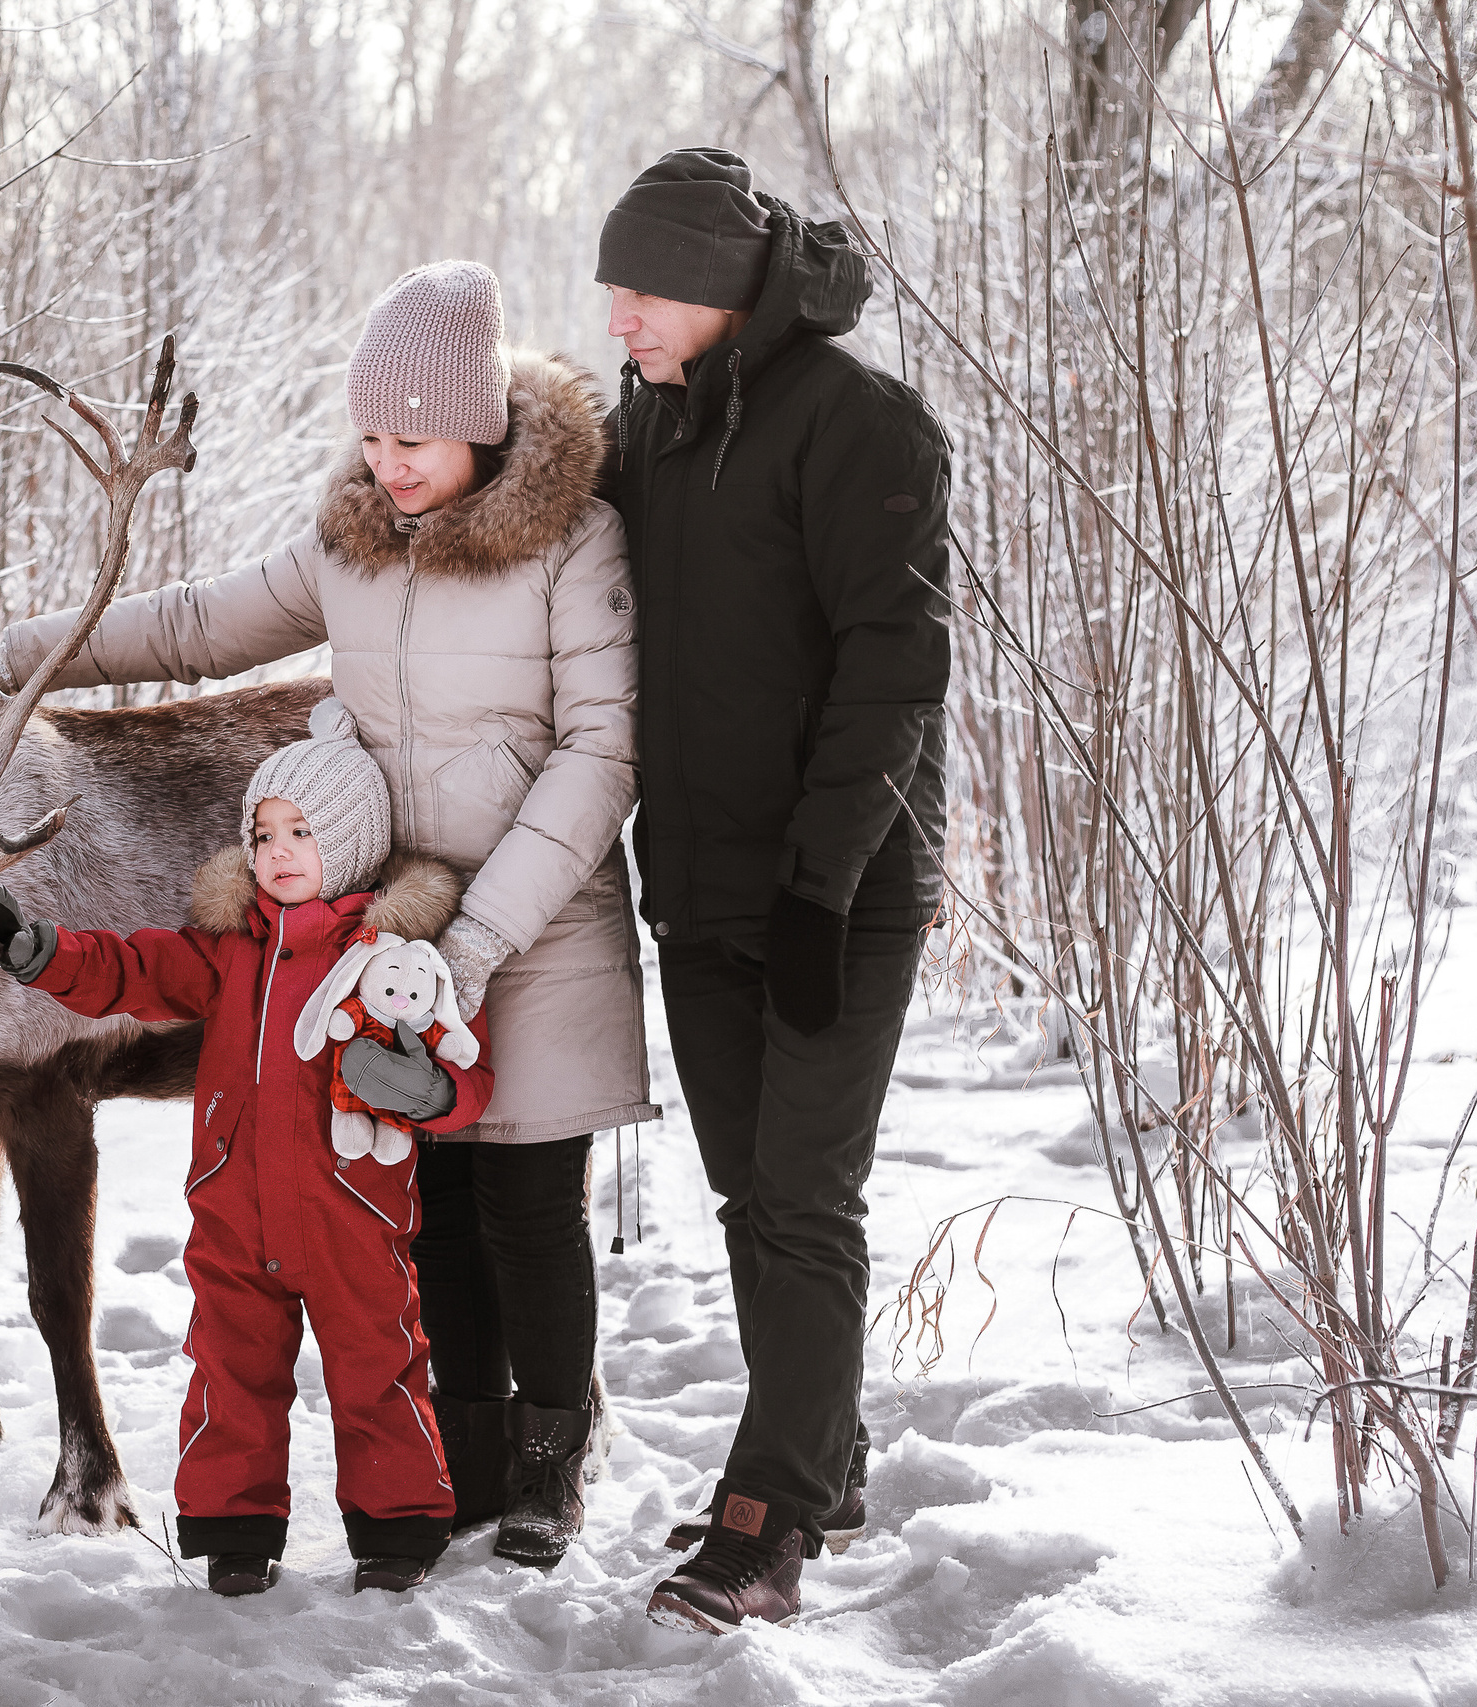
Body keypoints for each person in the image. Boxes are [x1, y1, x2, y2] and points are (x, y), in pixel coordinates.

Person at [0, 261, 654, 1568]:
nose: (387, 462)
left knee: (526, 1203)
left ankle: (551, 1455)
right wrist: (34, 650)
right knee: (428, 1203)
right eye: (371, 436)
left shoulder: (573, 542)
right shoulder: (352, 544)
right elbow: (197, 625)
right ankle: (467, 1453)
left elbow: (600, 755)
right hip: (394, 934)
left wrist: (479, 938)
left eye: (413, 439)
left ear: (480, 426)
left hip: (543, 923)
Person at [593, 147, 952, 1632]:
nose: (618, 316)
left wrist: (821, 884)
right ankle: (829, 1456)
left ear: (725, 286)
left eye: (642, 289)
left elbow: (894, 667)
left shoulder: (861, 422)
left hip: (836, 889)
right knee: (754, 1195)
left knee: (802, 1197)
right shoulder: (651, 417)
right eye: (610, 289)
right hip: (698, 882)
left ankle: (768, 1519)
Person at [0, 701, 492, 1595]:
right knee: (229, 1370)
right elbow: (132, 967)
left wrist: (435, 1092)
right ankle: (235, 1529)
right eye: (262, 834)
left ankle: (398, 1528)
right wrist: (40, 952)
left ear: (353, 844)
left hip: (351, 1216)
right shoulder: (228, 950)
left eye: (302, 833)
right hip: (235, 1213)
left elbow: (465, 1057)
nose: (277, 852)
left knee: (378, 1367)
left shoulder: (392, 962)